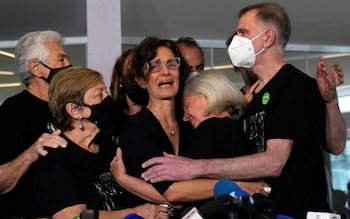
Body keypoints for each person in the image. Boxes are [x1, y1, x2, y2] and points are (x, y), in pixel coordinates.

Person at [141, 3, 344, 218]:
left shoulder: (293, 85)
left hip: (296, 212)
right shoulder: (253, 96)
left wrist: (195, 167)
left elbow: (278, 161)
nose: (236, 39)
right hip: (263, 211)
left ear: (267, 38)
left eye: (243, 32)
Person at [34, 67, 171, 219]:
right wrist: (134, 213)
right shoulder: (57, 158)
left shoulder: (110, 149)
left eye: (106, 92)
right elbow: (74, 217)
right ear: (75, 110)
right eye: (99, 95)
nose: (108, 100)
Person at [117, 37, 218, 217]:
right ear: (141, 80)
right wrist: (234, 185)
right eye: (155, 66)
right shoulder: (135, 129)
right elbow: (173, 193)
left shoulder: (189, 122)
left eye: (172, 64)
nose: (166, 72)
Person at [0, 30, 71, 218]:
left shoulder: (65, 109)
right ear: (36, 68)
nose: (68, 66)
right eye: (61, 60)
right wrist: (32, 152)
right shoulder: (14, 110)